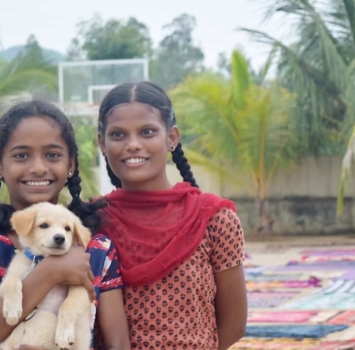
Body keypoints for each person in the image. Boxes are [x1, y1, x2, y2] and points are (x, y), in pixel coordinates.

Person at [0, 100, 130, 350]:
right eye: (21, 155)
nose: (38, 168)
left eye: (53, 155)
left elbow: (118, 344)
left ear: (71, 165)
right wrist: (49, 273)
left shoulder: (96, 247)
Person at [96, 82, 248, 350]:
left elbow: (234, 324)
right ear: (102, 143)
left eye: (147, 132)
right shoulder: (90, 221)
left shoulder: (213, 218)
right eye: (118, 135)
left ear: (172, 138)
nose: (133, 145)